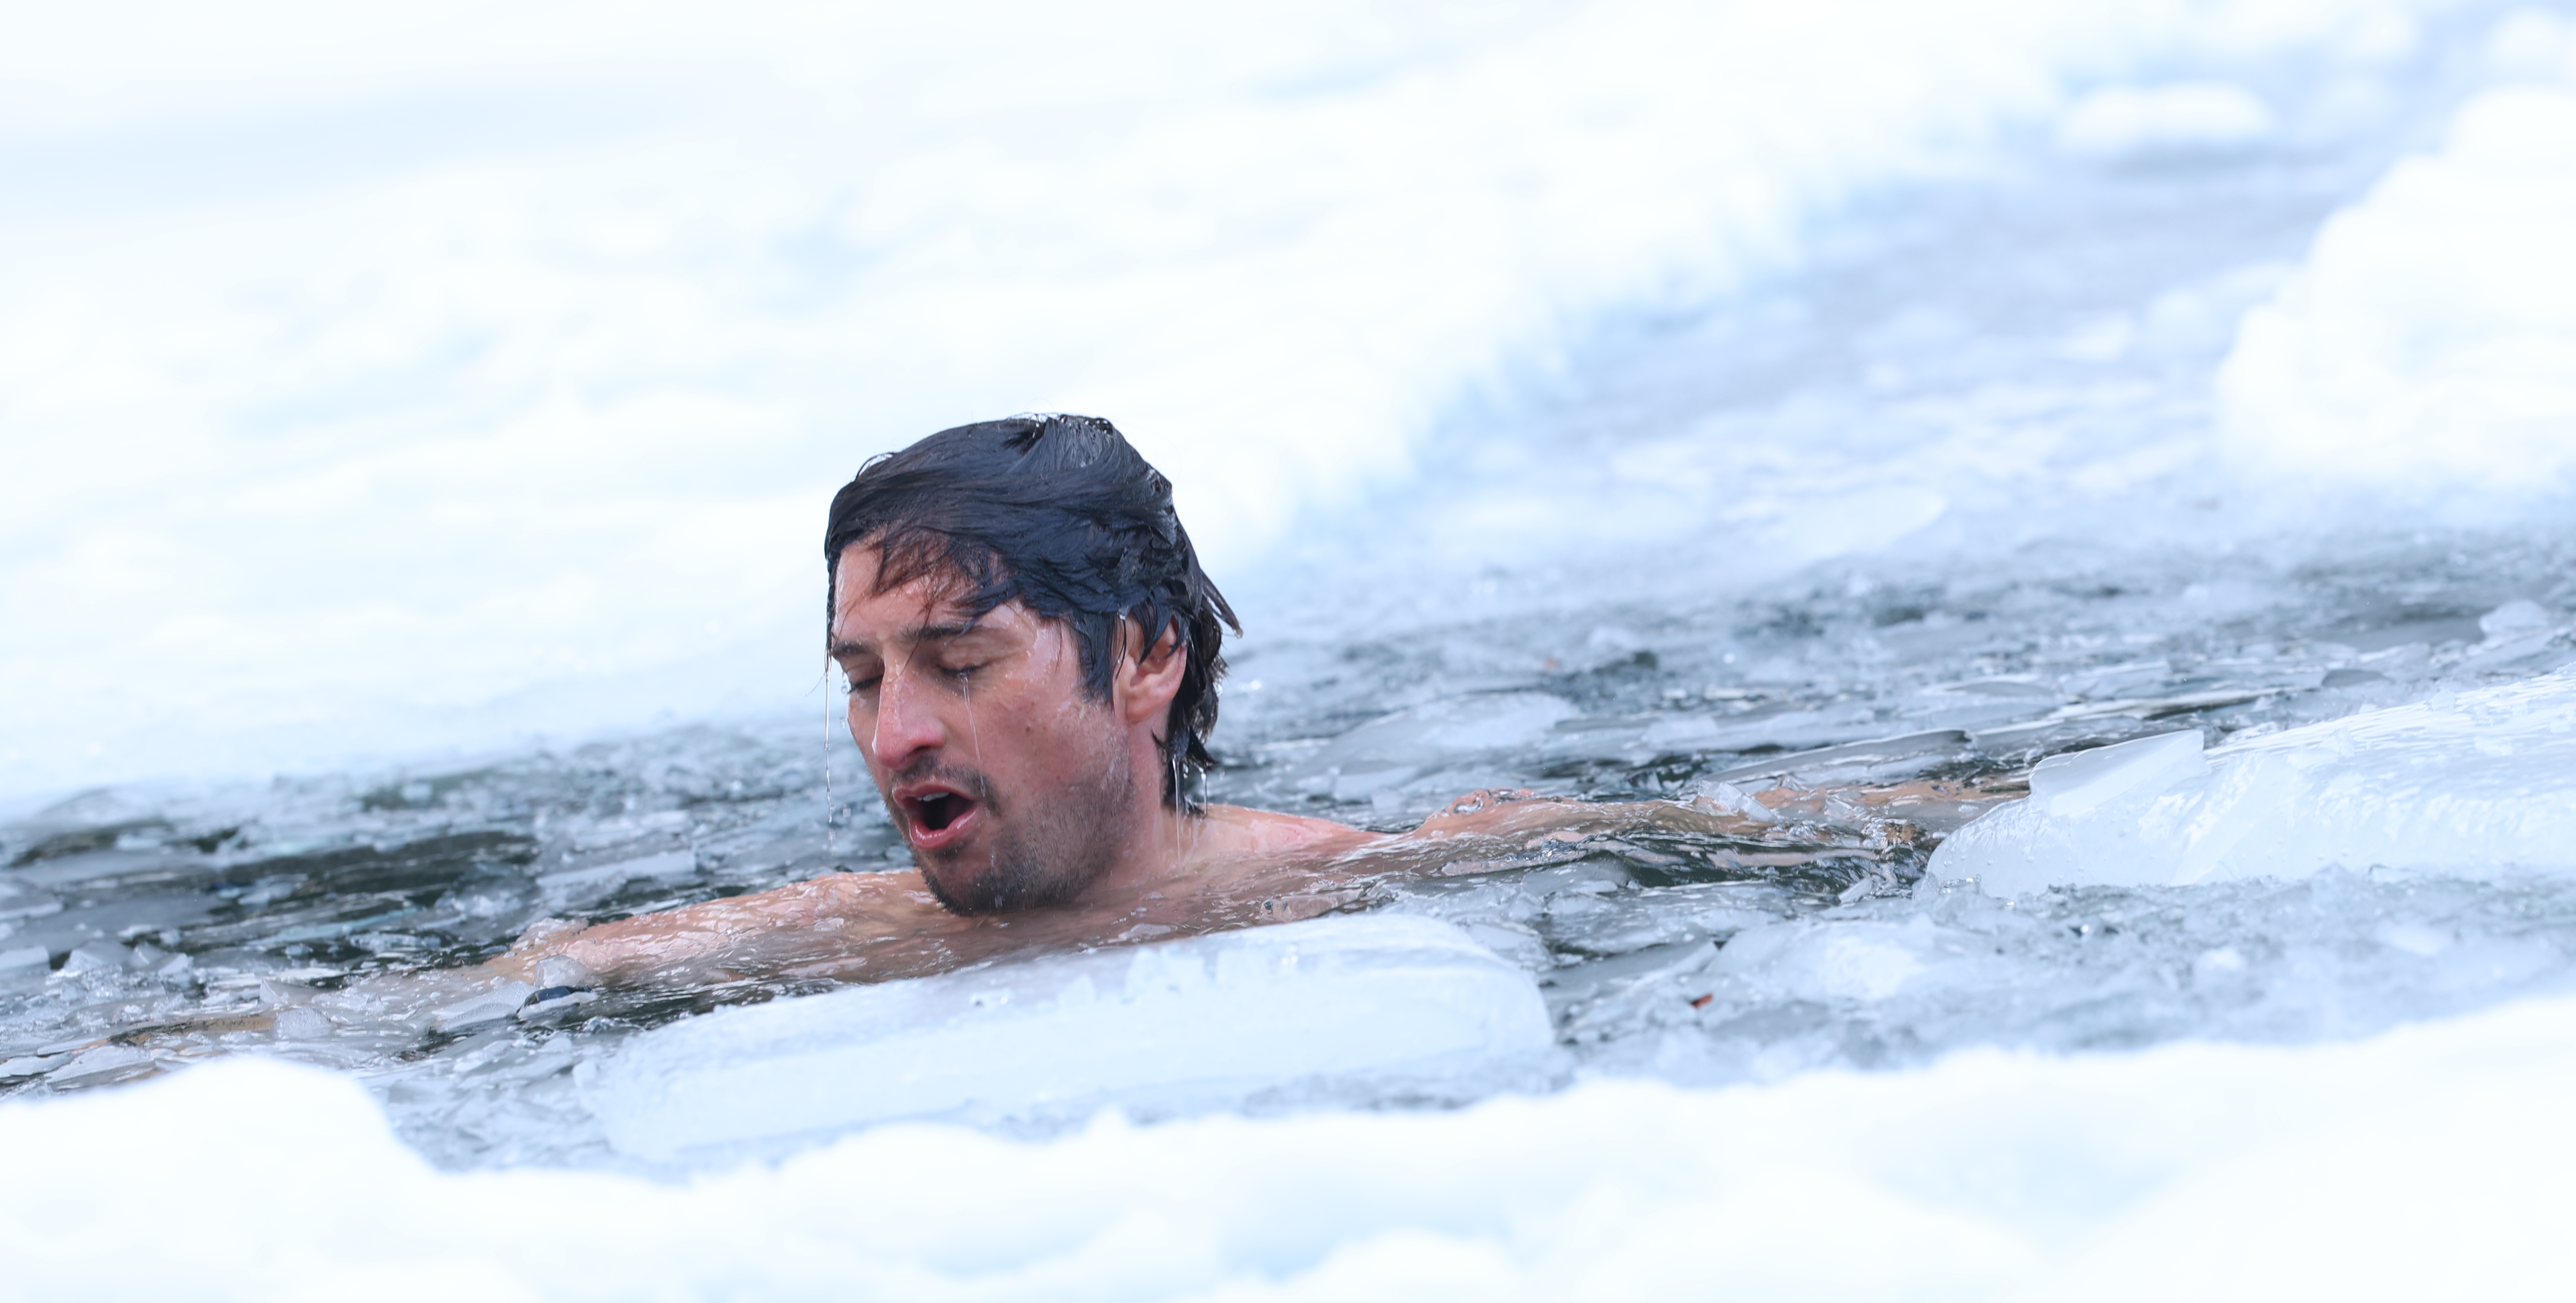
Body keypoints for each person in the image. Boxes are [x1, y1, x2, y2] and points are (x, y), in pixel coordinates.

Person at [458, 414, 1970, 1008]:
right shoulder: (834, 940)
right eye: (863, 680)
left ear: (1145, 659)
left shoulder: (1348, 889)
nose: (895, 733)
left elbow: (1741, 837)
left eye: (959, 665)